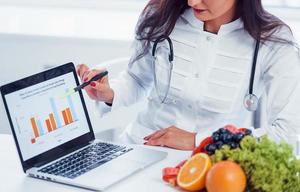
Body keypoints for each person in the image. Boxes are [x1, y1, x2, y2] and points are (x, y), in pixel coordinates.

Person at [77, 0, 300, 151]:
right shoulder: (161, 15)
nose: (192, 1)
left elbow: (287, 133)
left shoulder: (272, 41)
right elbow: (137, 79)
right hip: (140, 148)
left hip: (211, 164)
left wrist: (200, 140)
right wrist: (109, 94)